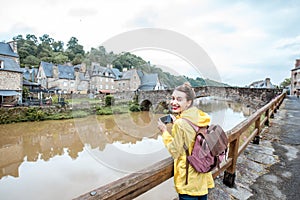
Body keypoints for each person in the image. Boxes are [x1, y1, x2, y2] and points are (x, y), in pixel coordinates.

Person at [157, 82, 213, 200]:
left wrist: (164, 132)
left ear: (188, 102)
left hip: (188, 179)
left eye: (179, 99)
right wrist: (177, 119)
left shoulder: (180, 123)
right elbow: (191, 135)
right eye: (172, 98)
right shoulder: (200, 116)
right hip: (202, 176)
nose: (174, 102)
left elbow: (174, 151)